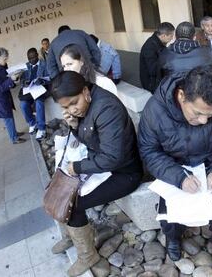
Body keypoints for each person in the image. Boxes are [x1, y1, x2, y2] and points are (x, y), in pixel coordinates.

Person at [138, 65, 212, 265]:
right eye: (198, 113)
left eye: (211, 114)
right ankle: (173, 237)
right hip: (174, 166)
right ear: (181, 96)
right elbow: (149, 151)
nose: (204, 120)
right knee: (167, 210)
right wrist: (179, 178)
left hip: (211, 162)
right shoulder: (154, 111)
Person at [50, 71, 143, 276]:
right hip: (103, 167)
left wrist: (78, 167)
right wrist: (74, 126)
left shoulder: (106, 108)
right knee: (60, 188)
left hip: (124, 173)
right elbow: (90, 141)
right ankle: (72, 235)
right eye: (65, 107)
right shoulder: (84, 110)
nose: (71, 109)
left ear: (85, 91)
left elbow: (112, 158)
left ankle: (88, 255)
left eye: (74, 103)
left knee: (73, 204)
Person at [0, 47, 25, 144]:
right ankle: (14, 138)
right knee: (7, 117)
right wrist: (11, 80)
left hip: (4, 96)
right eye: (5, 59)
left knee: (8, 115)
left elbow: (6, 78)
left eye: (7, 58)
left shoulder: (1, 66)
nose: (6, 61)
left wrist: (14, 79)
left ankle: (14, 133)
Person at [18, 48, 48, 140]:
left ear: (37, 55)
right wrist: (24, 83)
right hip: (30, 90)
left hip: (41, 89)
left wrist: (42, 80)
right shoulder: (26, 66)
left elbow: (51, 76)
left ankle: (42, 128)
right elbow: (21, 81)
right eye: (29, 58)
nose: (32, 60)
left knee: (39, 103)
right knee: (23, 104)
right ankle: (32, 123)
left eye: (33, 58)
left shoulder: (44, 64)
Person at [139, 22, 175, 93]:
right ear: (164, 35)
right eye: (171, 36)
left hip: (158, 80)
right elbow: (153, 69)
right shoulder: (149, 47)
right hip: (152, 84)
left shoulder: (159, 42)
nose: (172, 38)